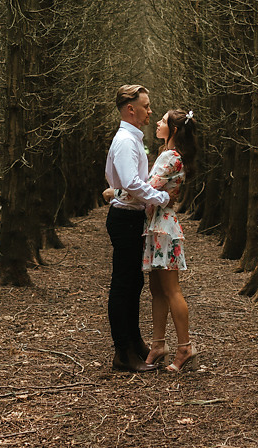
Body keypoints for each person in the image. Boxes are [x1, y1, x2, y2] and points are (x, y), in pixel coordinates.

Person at [104, 84, 171, 373]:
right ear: (131, 109)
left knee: (134, 284)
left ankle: (135, 344)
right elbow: (131, 183)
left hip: (131, 217)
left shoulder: (132, 139)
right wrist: (162, 197)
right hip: (124, 219)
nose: (150, 111)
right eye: (146, 106)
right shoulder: (126, 141)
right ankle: (123, 353)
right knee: (124, 285)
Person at [140, 109, 199, 372]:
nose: (157, 123)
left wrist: (114, 191)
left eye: (162, 121)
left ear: (174, 130)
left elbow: (146, 188)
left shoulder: (171, 157)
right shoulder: (170, 156)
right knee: (156, 289)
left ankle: (185, 346)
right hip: (156, 227)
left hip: (165, 228)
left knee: (171, 289)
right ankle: (158, 344)